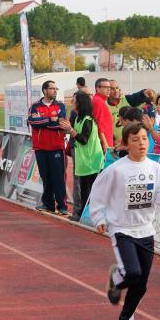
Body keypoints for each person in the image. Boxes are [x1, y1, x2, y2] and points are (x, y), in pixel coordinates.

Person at [89, 123, 160, 320]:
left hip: (146, 230)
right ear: (125, 144)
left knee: (140, 286)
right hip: (122, 229)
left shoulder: (155, 168)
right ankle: (117, 277)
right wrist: (98, 217)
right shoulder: (116, 170)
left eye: (144, 138)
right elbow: (98, 193)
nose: (141, 143)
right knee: (132, 273)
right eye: (135, 139)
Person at [59, 91, 104, 222]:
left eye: (73, 101)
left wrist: (71, 130)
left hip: (92, 162)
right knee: (84, 192)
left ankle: (95, 219)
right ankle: (83, 217)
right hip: (83, 162)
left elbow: (84, 139)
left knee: (92, 192)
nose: (71, 103)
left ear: (80, 103)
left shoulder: (88, 120)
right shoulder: (78, 118)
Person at [27, 80, 68, 215]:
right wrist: (51, 120)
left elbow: (61, 124)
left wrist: (43, 121)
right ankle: (48, 204)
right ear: (44, 90)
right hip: (40, 148)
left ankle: (62, 206)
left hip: (56, 147)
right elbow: (33, 122)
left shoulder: (61, 105)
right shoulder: (35, 106)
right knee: (46, 177)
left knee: (58, 177)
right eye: (52, 88)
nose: (55, 90)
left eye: (56, 88)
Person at [108, 79, 156, 144]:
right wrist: (113, 141)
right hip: (115, 144)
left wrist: (144, 92)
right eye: (112, 89)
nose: (116, 91)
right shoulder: (104, 105)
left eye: (117, 88)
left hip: (131, 141)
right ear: (108, 90)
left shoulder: (126, 99)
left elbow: (136, 97)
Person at [92, 78, 114, 153]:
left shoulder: (100, 100)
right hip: (103, 145)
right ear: (97, 89)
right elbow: (98, 124)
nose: (108, 90)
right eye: (105, 87)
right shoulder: (98, 101)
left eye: (109, 87)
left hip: (105, 142)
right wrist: (104, 143)